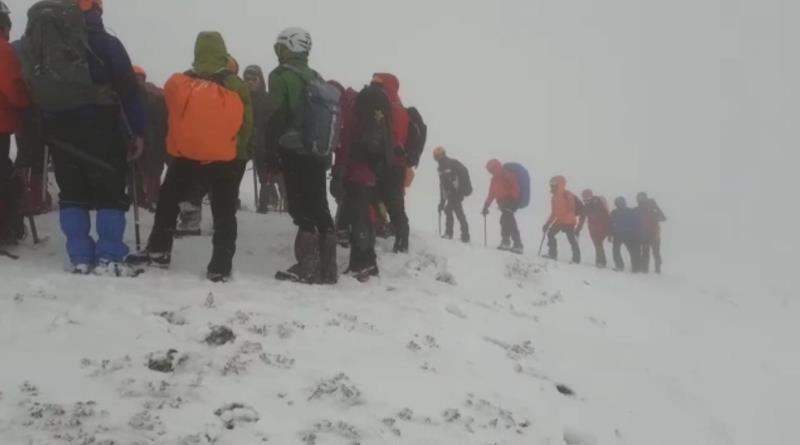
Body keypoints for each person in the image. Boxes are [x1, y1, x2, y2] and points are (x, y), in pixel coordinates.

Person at [24, 0, 145, 275]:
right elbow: (128, 90)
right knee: (110, 193)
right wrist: (137, 131)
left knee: (72, 193)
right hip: (101, 126)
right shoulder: (106, 43)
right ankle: (109, 255)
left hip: (58, 128)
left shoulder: (39, 45)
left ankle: (79, 255)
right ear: (96, 9)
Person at [127, 31, 253, 282]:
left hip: (185, 156)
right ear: (222, 51)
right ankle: (220, 264)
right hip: (224, 158)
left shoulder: (185, 80)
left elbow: (172, 114)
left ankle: (159, 250)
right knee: (224, 211)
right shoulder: (235, 83)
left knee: (168, 199)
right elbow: (246, 122)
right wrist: (238, 151)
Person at [267, 27, 338, 284]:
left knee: (300, 205)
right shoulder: (316, 76)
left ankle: (307, 266)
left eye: (281, 46)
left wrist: (270, 150)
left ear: (289, 47)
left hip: (293, 147)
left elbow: (276, 115)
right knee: (319, 203)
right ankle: (329, 268)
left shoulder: (280, 76)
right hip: (318, 149)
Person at [0, 0, 31, 245]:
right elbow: (14, 89)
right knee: (5, 177)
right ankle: (5, 231)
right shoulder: (3, 51)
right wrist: (27, 103)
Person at [372, 73, 411, 253]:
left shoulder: (395, 109)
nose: (375, 86)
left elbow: (394, 137)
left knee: (393, 201)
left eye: (379, 84)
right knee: (387, 199)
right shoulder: (394, 107)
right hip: (391, 162)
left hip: (393, 163)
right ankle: (396, 235)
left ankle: (402, 241)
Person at [132, 65, 168, 212]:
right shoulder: (157, 93)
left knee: (147, 170)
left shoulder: (137, 95)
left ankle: (148, 198)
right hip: (158, 139)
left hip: (150, 139)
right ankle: (151, 198)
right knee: (151, 171)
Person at [243, 64, 277, 214]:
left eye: (253, 78)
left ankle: (266, 202)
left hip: (263, 143)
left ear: (260, 79)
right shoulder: (242, 99)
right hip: (247, 141)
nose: (250, 81)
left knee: (264, 174)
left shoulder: (268, 99)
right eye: (247, 78)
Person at [482, 159, 522, 253]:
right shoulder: (494, 180)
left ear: (495, 167)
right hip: (503, 203)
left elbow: (515, 188)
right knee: (506, 221)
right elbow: (491, 194)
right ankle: (509, 243)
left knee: (507, 220)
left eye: (491, 169)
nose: (490, 172)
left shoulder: (507, 175)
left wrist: (512, 200)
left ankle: (516, 244)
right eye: (489, 170)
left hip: (511, 201)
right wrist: (486, 205)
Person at [434, 146, 471, 243]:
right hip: (451, 193)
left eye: (437, 156)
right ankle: (465, 236)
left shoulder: (451, 164)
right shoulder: (441, 168)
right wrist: (441, 202)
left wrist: (461, 190)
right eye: (435, 156)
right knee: (458, 212)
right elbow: (442, 186)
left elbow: (445, 184)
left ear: (443, 154)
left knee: (449, 210)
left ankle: (450, 233)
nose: (437, 158)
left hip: (457, 192)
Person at [542, 175, 581, 264]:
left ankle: (576, 258)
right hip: (560, 220)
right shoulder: (554, 197)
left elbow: (571, 208)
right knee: (551, 233)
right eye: (551, 184)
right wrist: (547, 224)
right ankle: (553, 254)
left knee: (571, 239)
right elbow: (553, 213)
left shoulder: (567, 194)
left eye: (554, 183)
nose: (552, 185)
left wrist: (563, 218)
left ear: (560, 184)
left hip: (568, 221)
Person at [576, 189, 610, 268]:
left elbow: (605, 216)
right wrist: (578, 229)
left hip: (601, 228)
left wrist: (608, 230)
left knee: (598, 245)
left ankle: (601, 262)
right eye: (584, 199)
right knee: (598, 245)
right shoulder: (586, 207)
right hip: (594, 229)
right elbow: (582, 218)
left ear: (591, 197)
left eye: (587, 199)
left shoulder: (597, 203)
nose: (586, 201)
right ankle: (600, 261)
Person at [635, 192, 667, 274]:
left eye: (642, 197)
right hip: (645, 235)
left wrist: (655, 209)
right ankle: (646, 269)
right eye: (639, 198)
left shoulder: (652, 207)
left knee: (654, 253)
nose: (640, 199)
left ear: (645, 198)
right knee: (646, 253)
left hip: (654, 235)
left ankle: (657, 270)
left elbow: (663, 218)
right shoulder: (638, 209)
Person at [609, 196, 641, 272]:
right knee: (618, 251)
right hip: (620, 234)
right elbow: (611, 223)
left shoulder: (629, 211)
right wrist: (610, 234)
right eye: (618, 202)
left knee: (630, 251)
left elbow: (636, 222)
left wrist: (636, 233)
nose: (620, 204)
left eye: (621, 202)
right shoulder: (615, 212)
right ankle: (624, 266)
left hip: (627, 234)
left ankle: (634, 267)